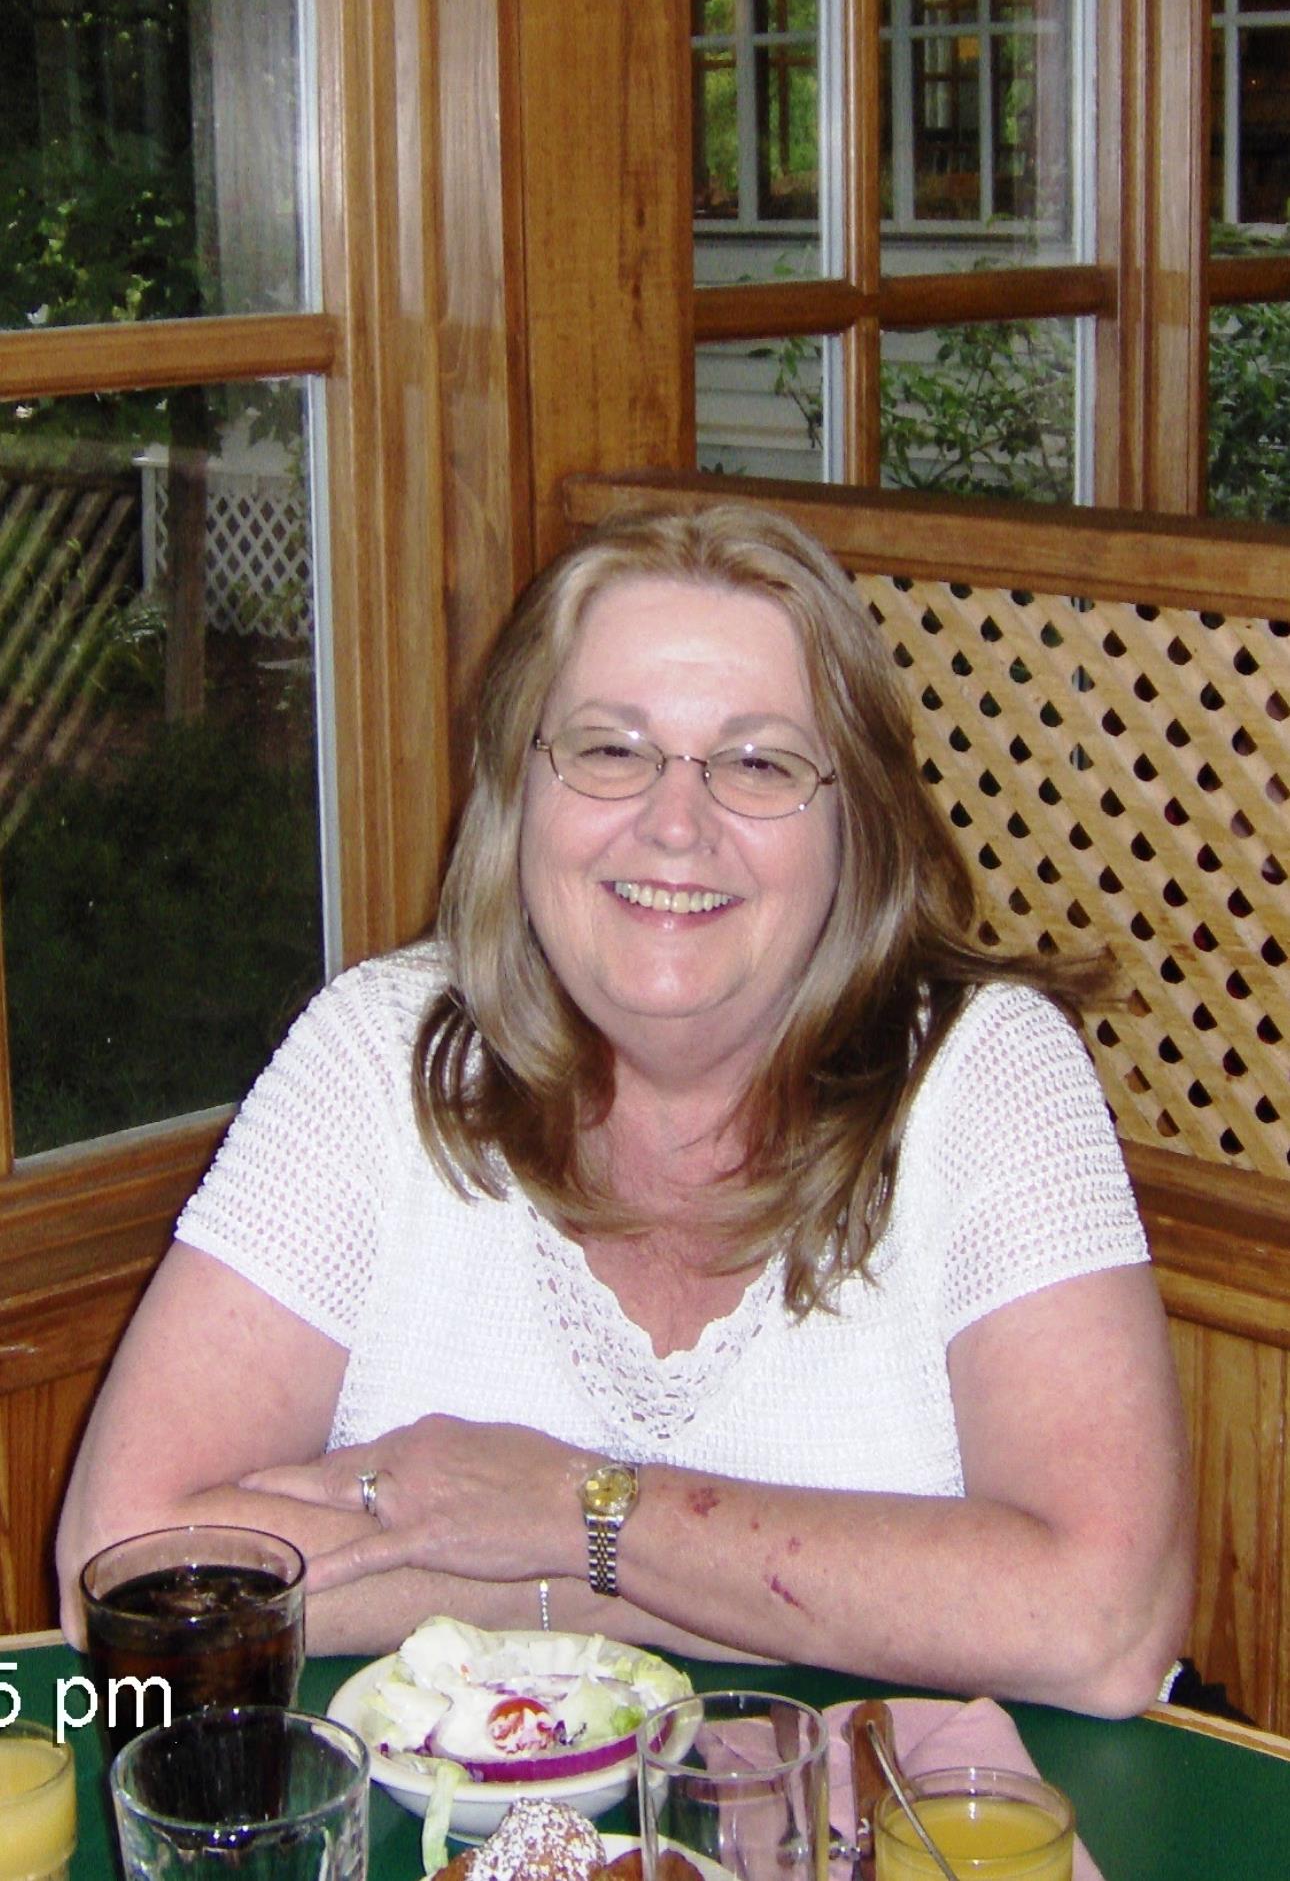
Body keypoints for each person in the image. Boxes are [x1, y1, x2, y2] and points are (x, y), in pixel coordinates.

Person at [56, 502, 1194, 1716]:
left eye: (758, 763)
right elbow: (123, 1572)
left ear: (855, 823)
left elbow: (1104, 1622)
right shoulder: (376, 1051)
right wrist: (654, 1589)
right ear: (518, 788)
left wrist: (572, 1513)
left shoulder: (989, 1071)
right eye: (610, 749)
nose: (675, 824)